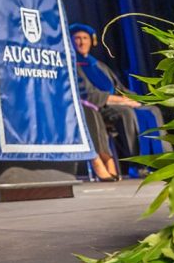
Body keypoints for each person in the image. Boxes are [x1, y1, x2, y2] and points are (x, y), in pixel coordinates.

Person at [70, 23, 164, 173]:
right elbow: (87, 94)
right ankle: (136, 164)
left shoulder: (99, 65)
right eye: (77, 38)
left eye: (85, 38)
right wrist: (120, 101)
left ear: (91, 41)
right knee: (126, 112)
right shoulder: (72, 65)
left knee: (152, 111)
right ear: (71, 41)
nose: (82, 42)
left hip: (119, 104)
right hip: (97, 109)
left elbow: (119, 87)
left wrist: (134, 99)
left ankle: (163, 160)